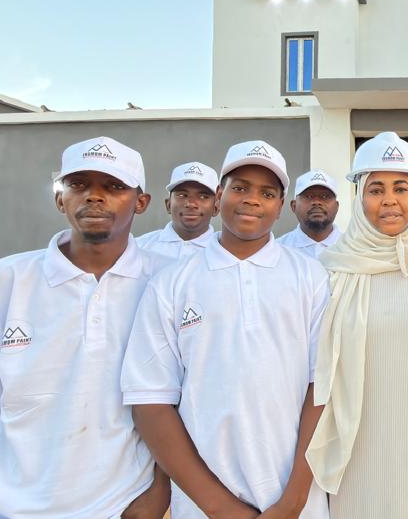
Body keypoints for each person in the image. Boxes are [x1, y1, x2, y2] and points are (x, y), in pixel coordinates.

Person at [0, 136, 170, 519]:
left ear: (140, 202)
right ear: (60, 198)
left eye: (114, 186)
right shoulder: (3, 283)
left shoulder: (167, 282)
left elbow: (184, 403)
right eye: (78, 184)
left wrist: (158, 493)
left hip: (120, 507)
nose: (94, 196)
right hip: (5, 509)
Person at [122, 140, 330, 518]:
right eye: (240, 188)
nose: (252, 200)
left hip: (296, 500)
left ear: (281, 206)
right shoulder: (172, 283)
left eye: (267, 193)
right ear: (219, 197)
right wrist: (220, 508)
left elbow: (323, 389)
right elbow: (150, 402)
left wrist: (294, 500)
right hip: (203, 505)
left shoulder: (312, 277)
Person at [307, 131, 408, 518]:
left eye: (401, 188)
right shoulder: (330, 268)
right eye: (376, 189)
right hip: (355, 454)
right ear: (359, 196)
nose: (390, 200)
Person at [137, 161, 219, 261]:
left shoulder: (225, 252)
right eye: (182, 195)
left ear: (216, 208)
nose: (191, 204)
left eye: (203, 196)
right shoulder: (139, 248)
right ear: (168, 205)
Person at [279, 169, 343, 258]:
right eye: (308, 196)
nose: (317, 202)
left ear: (336, 207)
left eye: (325, 196)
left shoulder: (353, 248)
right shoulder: (278, 249)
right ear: (294, 206)